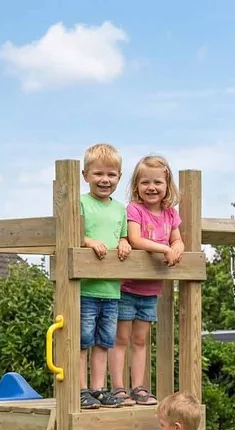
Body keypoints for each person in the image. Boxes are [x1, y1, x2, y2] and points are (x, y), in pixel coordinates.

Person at [108, 155, 186, 408]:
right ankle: (118, 388)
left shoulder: (170, 214)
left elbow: (177, 239)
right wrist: (165, 250)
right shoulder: (135, 210)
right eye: (145, 182)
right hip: (128, 287)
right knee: (121, 339)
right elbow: (135, 239)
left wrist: (177, 247)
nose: (151, 187)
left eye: (157, 182)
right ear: (136, 186)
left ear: (167, 185)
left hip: (150, 290)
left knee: (140, 340)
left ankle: (139, 387)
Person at [79, 142, 132, 411]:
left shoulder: (120, 209)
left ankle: (98, 389)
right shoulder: (80, 203)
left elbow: (122, 235)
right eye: (98, 173)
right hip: (85, 288)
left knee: (103, 342)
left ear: (119, 178)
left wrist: (124, 243)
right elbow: (71, 234)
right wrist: (87, 241)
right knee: (82, 341)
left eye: (111, 175)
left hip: (111, 290)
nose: (105, 180)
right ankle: (80, 389)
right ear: (85, 175)